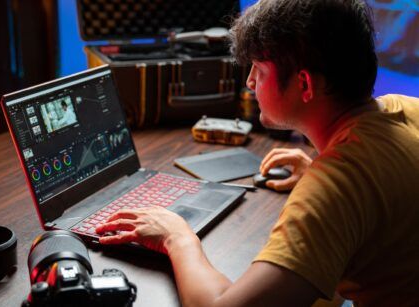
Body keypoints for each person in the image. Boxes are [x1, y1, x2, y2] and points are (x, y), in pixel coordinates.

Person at [96, 0, 419, 305]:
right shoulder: (406, 109)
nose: (250, 82)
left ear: (304, 85)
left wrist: (177, 236)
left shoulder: (336, 188)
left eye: (259, 70)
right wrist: (325, 180)